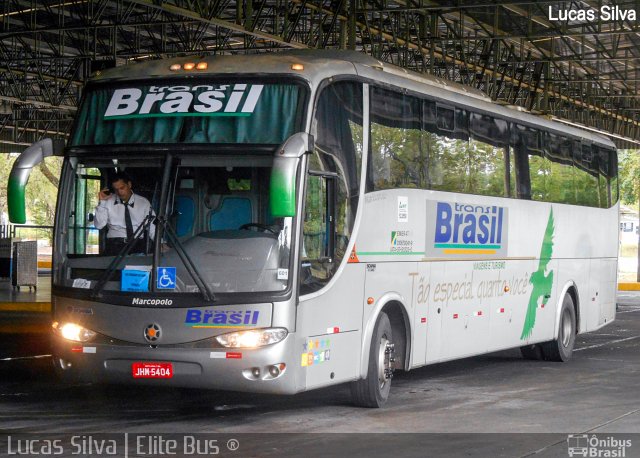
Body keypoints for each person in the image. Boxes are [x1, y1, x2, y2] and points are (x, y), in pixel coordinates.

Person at [94, 172, 155, 255]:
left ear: (129, 185)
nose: (119, 192)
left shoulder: (143, 202)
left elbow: (151, 225)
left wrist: (160, 242)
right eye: (116, 189)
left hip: (137, 245)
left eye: (122, 188)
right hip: (114, 245)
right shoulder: (107, 202)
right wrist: (102, 202)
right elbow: (99, 225)